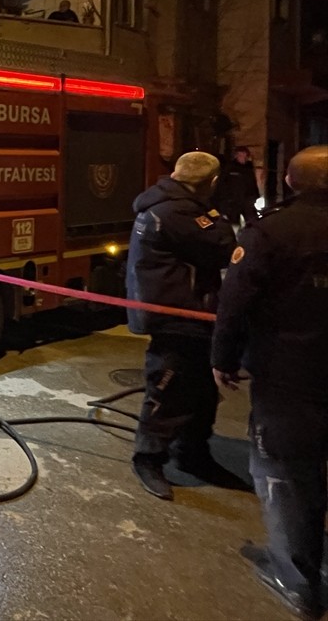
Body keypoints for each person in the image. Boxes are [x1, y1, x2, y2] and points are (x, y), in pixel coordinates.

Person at [212, 145, 328, 621]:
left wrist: (223, 358)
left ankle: (296, 579)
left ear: (289, 180)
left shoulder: (271, 232)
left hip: (289, 377)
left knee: (285, 474)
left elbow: (235, 301)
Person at [124, 150, 238, 500]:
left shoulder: (165, 202)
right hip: (177, 316)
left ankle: (193, 454)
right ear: (213, 183)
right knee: (168, 386)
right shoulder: (178, 212)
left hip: (185, 312)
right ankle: (149, 458)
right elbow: (225, 246)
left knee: (202, 389)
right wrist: (217, 215)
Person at [213, 145, 261, 228]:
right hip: (232, 202)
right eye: (240, 155)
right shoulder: (229, 168)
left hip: (246, 201)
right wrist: (224, 201)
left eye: (245, 155)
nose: (243, 158)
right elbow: (221, 185)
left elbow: (252, 184)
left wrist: (255, 197)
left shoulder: (248, 169)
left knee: (252, 222)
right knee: (234, 224)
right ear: (236, 156)